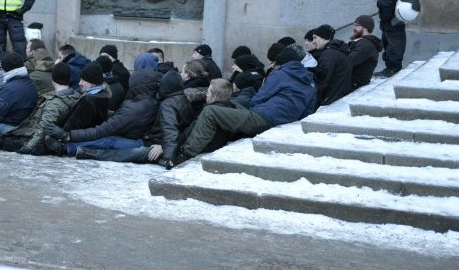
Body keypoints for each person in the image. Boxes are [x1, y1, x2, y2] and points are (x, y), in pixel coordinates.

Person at [177, 48, 316, 163]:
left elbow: (261, 96)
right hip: (278, 119)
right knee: (228, 105)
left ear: (280, 64)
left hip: (263, 117)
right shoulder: (310, 81)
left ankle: (186, 153)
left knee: (211, 111)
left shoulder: (280, 73)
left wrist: (256, 110)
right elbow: (308, 111)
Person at [76, 71, 194, 168]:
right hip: (157, 143)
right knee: (114, 142)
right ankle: (89, 152)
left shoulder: (168, 105)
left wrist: (168, 156)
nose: (158, 88)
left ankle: (91, 153)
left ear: (167, 87)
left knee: (124, 147)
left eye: (161, 85)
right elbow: (180, 129)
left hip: (154, 146)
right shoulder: (181, 99)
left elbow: (170, 130)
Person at [43, 68, 159, 156]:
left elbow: (102, 130)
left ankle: (65, 148)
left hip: (140, 142)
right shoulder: (144, 101)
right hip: (136, 136)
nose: (79, 83)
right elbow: (119, 117)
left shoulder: (137, 108)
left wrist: (68, 136)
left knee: (107, 141)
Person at [310, 24, 352, 107]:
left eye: (315, 38)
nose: (313, 41)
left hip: (331, 100)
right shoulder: (337, 51)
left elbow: (322, 79)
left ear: (324, 37)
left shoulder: (329, 55)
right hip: (337, 97)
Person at [348, 15, 383, 90]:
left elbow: (349, 61)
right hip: (353, 82)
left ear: (366, 28)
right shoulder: (362, 42)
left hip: (354, 84)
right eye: (354, 25)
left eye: (357, 26)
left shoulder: (365, 44)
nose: (354, 28)